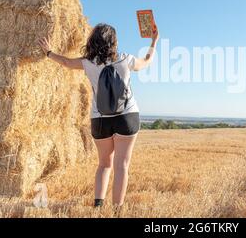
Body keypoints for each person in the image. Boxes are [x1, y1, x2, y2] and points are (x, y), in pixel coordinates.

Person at [38, 23, 159, 208]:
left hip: (100, 119)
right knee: (122, 166)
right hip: (127, 117)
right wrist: (154, 41)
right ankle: (117, 210)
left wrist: (49, 52)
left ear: (93, 41)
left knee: (104, 164)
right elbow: (147, 60)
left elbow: (66, 62)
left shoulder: (88, 62)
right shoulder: (126, 59)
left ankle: (98, 206)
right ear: (114, 42)